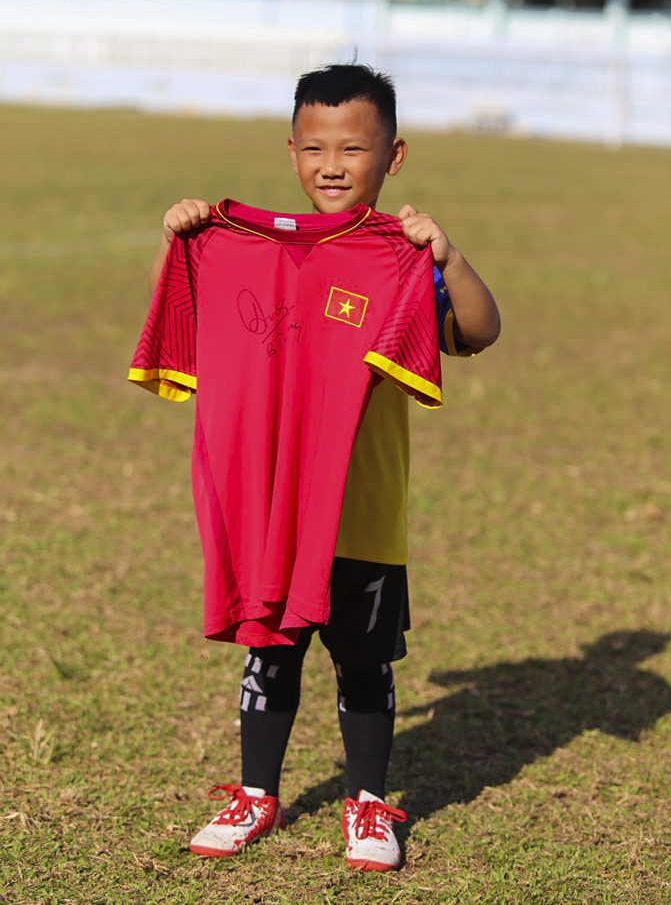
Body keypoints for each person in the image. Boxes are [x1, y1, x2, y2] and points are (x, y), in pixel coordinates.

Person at [145, 64, 500, 871]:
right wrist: (189, 230)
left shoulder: (401, 259)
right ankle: (256, 794)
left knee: (364, 661)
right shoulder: (230, 247)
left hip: (364, 513)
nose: (331, 164)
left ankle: (368, 804)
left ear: (393, 156)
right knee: (268, 652)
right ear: (292, 153)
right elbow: (193, 317)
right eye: (313, 147)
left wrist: (447, 253)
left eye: (352, 147)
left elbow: (479, 332)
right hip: (273, 508)